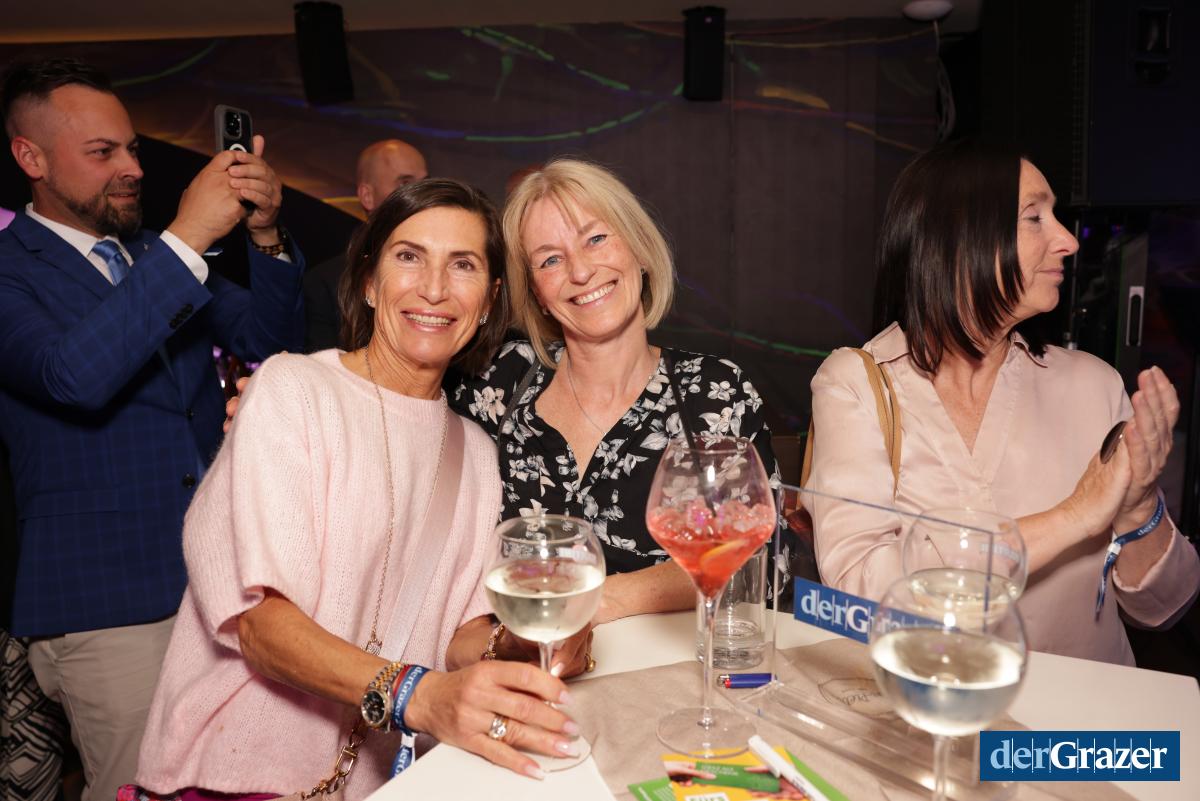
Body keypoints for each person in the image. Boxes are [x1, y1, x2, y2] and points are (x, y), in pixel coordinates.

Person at [135, 179, 586, 801]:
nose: (434, 289)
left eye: (463, 265)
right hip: (233, 776)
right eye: (409, 257)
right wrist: (416, 695)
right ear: (370, 282)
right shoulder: (293, 390)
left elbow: (457, 636)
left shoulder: (476, 452)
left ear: (489, 301)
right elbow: (262, 628)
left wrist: (523, 639)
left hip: (376, 783)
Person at [0, 57, 304, 801]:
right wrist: (189, 234)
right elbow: (73, 376)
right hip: (107, 604)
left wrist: (265, 235)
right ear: (31, 158)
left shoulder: (149, 257)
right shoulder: (11, 270)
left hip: (217, 584)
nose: (133, 168)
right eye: (102, 152)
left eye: (132, 149)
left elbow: (270, 340)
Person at [806, 140, 1200, 664]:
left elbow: (1165, 608)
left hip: (1088, 716)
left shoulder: (1094, 384)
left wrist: (1138, 506)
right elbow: (859, 593)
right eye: (1035, 217)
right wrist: (1075, 515)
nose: (1068, 241)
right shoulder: (857, 384)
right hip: (931, 702)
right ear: (958, 237)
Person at [452, 159, 781, 624]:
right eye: (550, 260)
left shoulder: (713, 393)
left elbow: (759, 565)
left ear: (640, 250)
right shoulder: (498, 383)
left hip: (671, 666)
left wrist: (598, 601)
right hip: (529, 662)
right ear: (537, 292)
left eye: (596, 239)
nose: (581, 271)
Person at [304, 139, 428, 351]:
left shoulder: (442, 275)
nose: (422, 194)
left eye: (425, 183)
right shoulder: (325, 283)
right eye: (405, 183)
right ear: (367, 196)